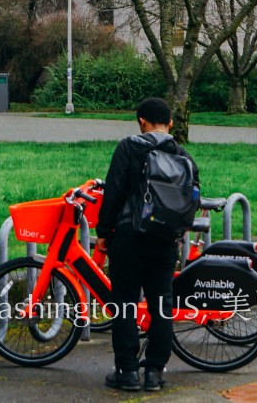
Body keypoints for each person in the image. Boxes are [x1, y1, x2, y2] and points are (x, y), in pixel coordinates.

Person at [97, 96, 194, 392]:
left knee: (125, 304)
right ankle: (154, 372)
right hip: (166, 241)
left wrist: (103, 232)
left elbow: (113, 192)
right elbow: (192, 200)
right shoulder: (184, 157)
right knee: (161, 303)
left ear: (141, 120)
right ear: (171, 123)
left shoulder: (129, 147)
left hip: (129, 237)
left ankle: (127, 372)